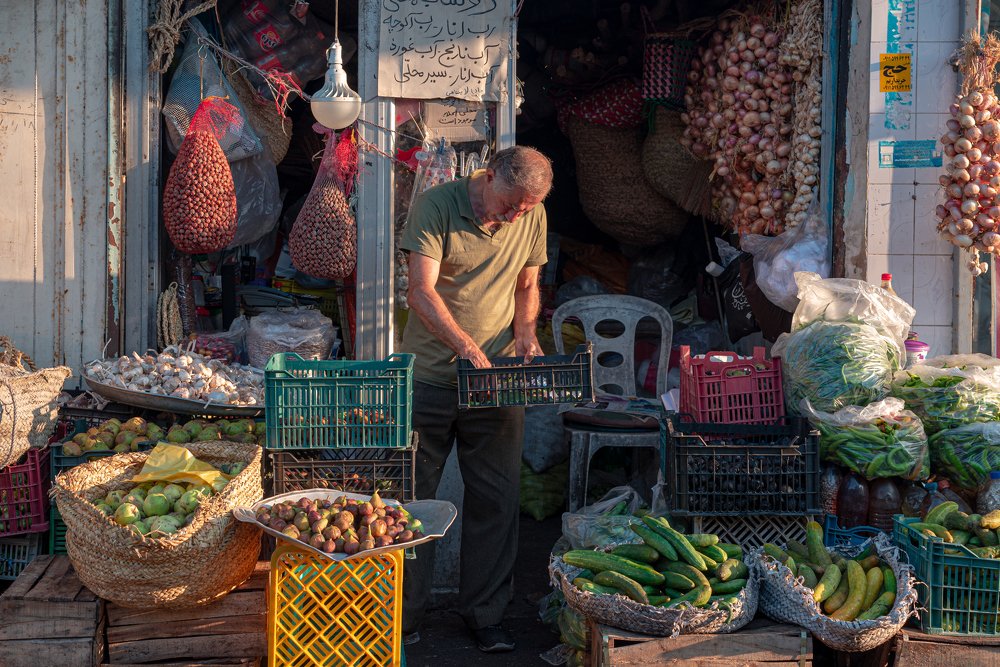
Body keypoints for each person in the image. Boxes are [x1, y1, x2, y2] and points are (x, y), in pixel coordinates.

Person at [399, 145, 553, 653]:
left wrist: (527, 331)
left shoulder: (531, 214)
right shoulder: (437, 206)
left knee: (497, 500)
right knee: (412, 505)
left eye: (523, 209)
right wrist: (464, 345)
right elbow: (419, 292)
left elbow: (528, 283)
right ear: (488, 176)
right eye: (508, 204)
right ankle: (404, 617)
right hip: (430, 381)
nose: (512, 217)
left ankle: (486, 616)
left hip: (498, 382)